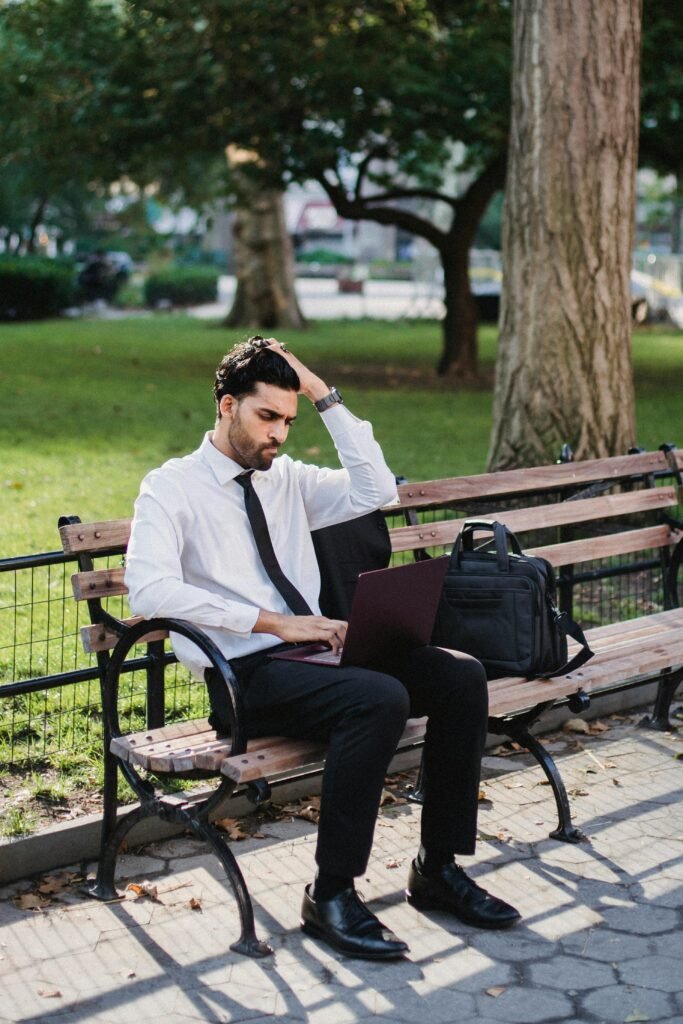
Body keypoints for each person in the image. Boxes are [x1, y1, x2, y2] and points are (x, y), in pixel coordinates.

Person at [125, 337, 520, 960]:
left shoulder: (288, 479)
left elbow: (376, 490)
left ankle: (437, 869)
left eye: (288, 419)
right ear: (227, 406)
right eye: (267, 417)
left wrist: (323, 393)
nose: (279, 434)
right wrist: (271, 624)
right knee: (379, 697)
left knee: (461, 677)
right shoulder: (170, 488)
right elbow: (147, 588)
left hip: (317, 661)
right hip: (245, 679)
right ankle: (331, 892)